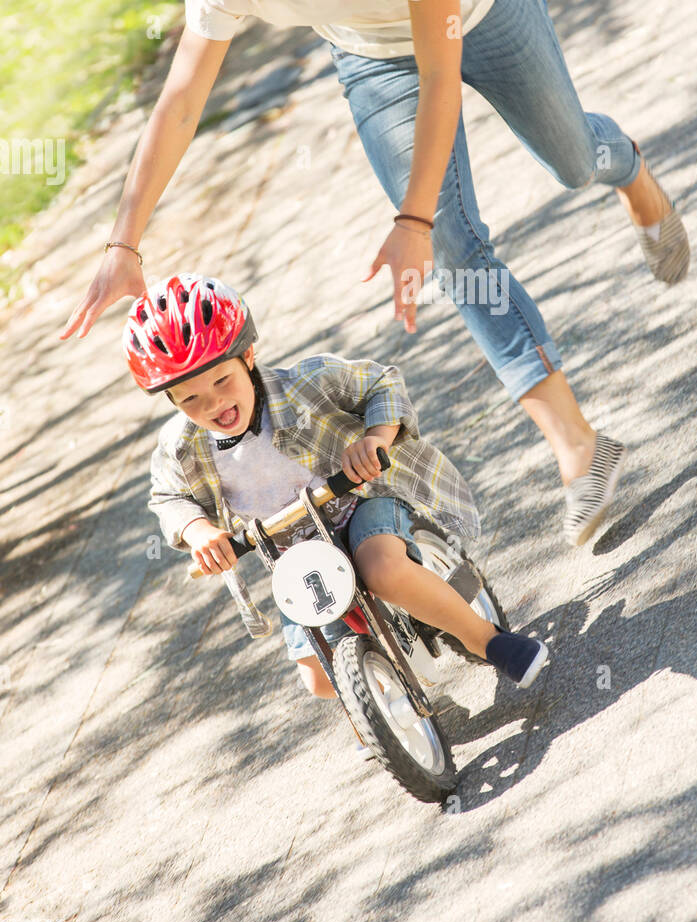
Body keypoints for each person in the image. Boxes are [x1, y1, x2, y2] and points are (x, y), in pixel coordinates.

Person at [65, 0, 690, 547]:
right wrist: (124, 244)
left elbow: (440, 73)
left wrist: (411, 221)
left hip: (480, 15)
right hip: (369, 54)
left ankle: (627, 166)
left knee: (573, 162)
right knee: (457, 252)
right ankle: (578, 447)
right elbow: (180, 103)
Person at [129, 273, 549, 730]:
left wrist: (374, 439)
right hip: (293, 553)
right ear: (169, 399)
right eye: (189, 398)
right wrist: (199, 530)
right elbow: (168, 495)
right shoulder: (181, 446)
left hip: (357, 506)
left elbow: (381, 384)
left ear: (247, 357)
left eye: (222, 381)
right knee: (318, 676)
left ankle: (488, 642)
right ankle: (377, 698)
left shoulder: (308, 383)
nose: (213, 404)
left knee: (382, 569)